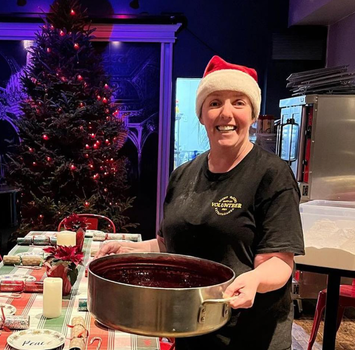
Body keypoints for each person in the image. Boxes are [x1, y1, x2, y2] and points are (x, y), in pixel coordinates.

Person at [96, 55, 304, 350]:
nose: (226, 114)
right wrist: (131, 248)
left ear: (253, 114)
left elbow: (279, 263)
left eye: (238, 102)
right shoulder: (183, 175)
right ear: (202, 114)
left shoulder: (272, 175)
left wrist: (255, 280)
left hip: (249, 336)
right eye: (215, 102)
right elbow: (171, 244)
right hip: (190, 329)